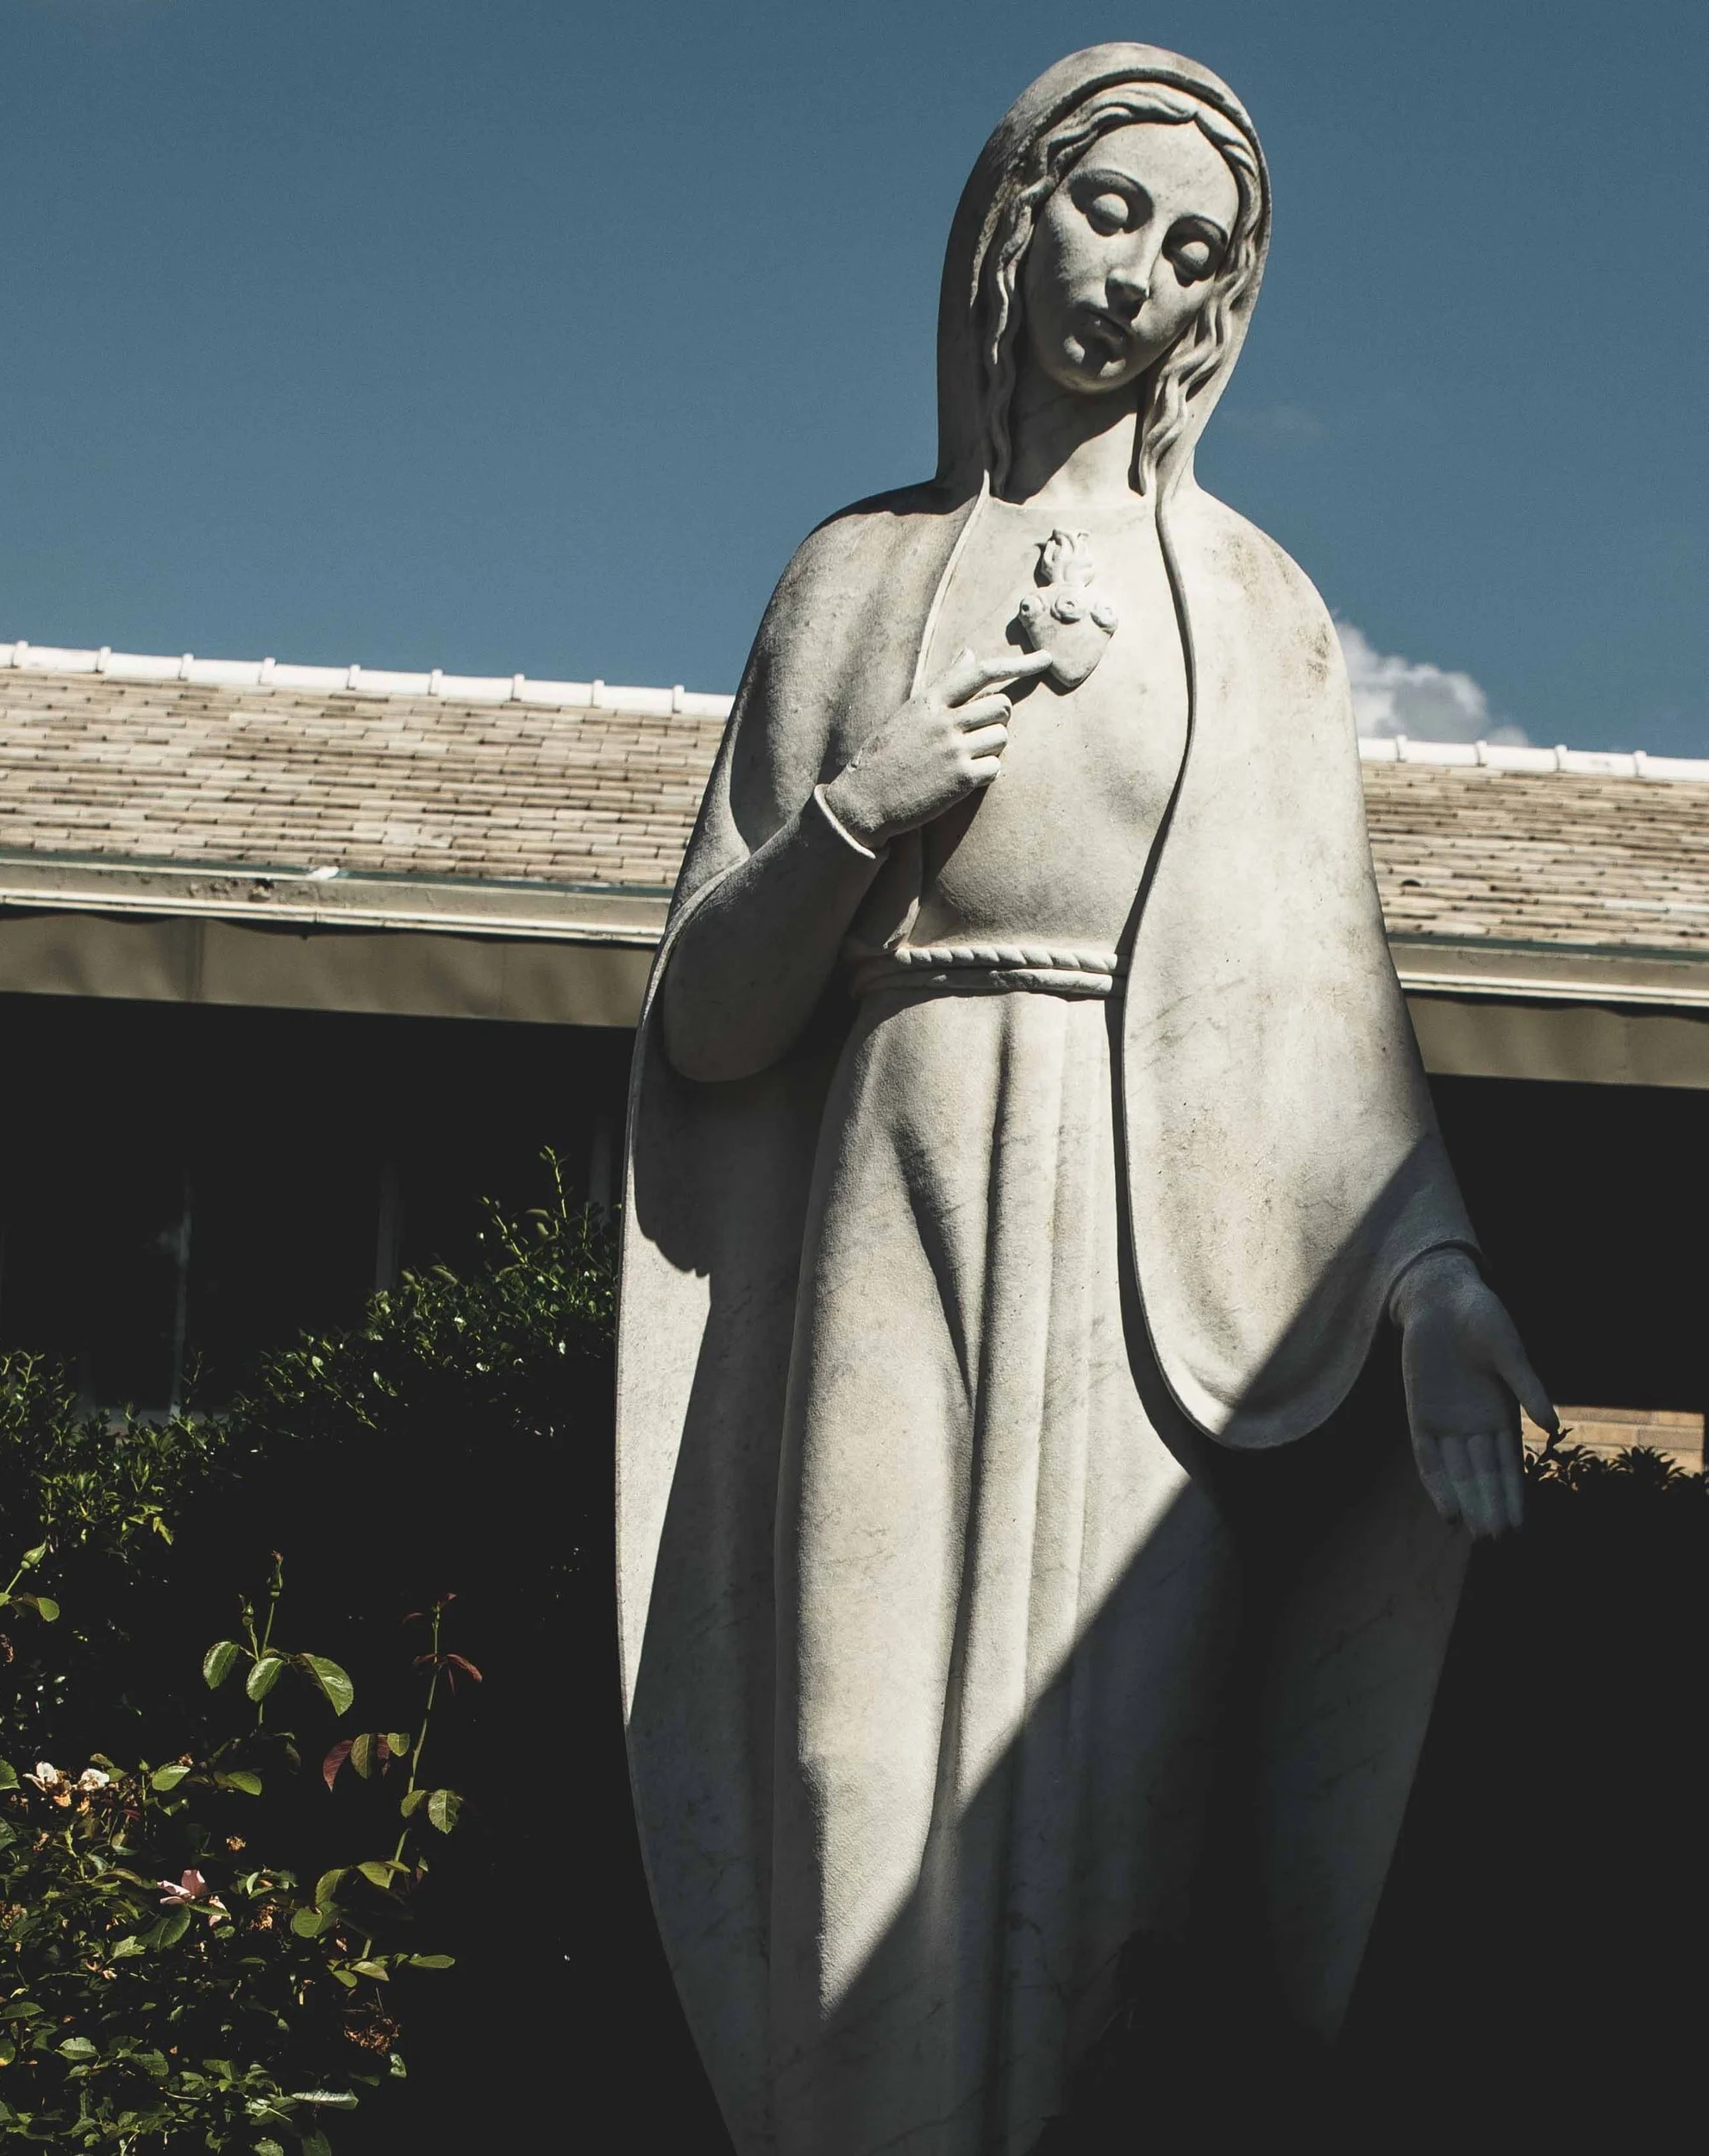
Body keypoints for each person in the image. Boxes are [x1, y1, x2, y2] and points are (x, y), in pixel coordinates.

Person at [617, 43, 1555, 2156]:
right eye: (1107, 210)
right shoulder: (852, 578)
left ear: (1223, 306)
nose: (1136, 276)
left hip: (1154, 1239)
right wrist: (864, 805)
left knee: (1112, 1808)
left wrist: (1426, 1272)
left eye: (1192, 251)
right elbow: (708, 1033)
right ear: (1012, 215)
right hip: (896, 1172)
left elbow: (1322, 999)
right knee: (853, 1777)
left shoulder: (1256, 609)